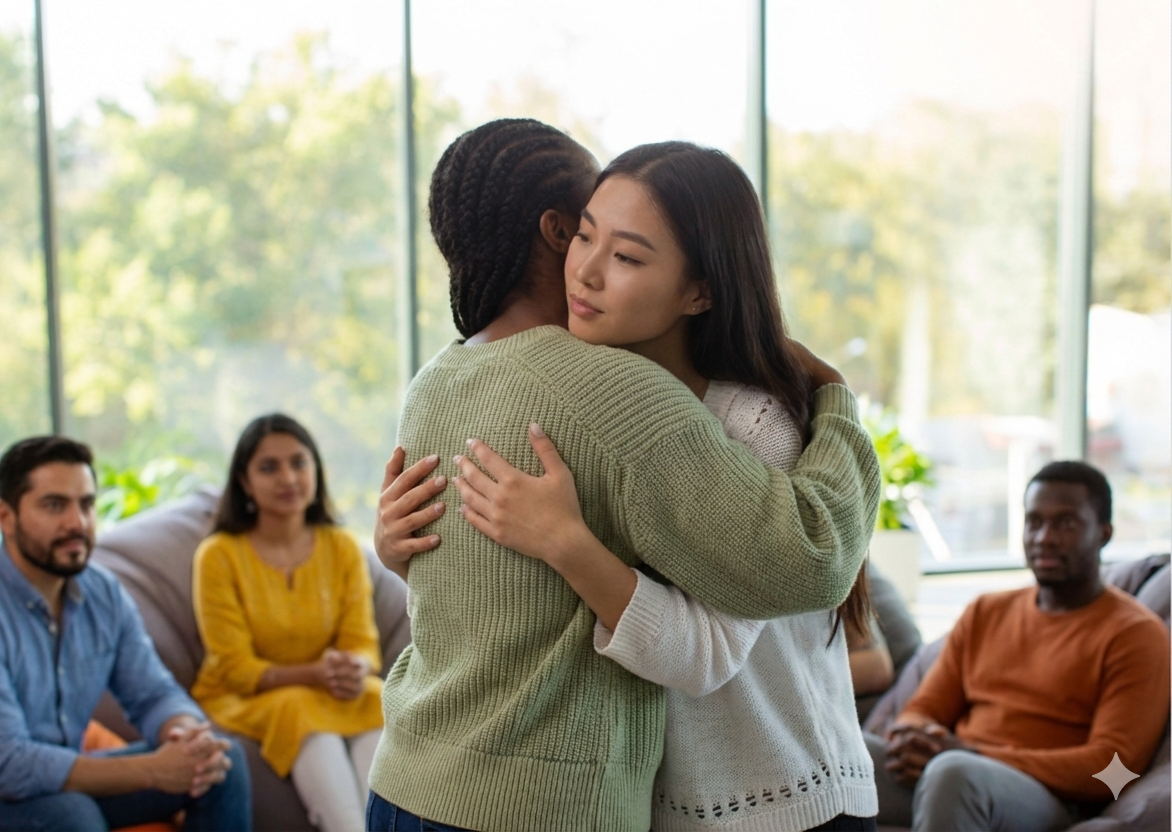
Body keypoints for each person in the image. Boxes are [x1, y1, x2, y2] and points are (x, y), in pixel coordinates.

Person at [366, 118, 881, 832]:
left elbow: (730, 634)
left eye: (629, 256)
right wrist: (396, 552)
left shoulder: (733, 417)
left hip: (778, 797)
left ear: (698, 290)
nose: (587, 268)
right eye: (585, 234)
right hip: (638, 803)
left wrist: (836, 399)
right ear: (556, 233)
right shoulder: (605, 393)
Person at [0, 436, 251, 832]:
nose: (77, 522)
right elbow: (10, 768)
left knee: (222, 766)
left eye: (86, 504)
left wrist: (190, 737)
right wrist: (153, 771)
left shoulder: (103, 593)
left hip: (55, 790)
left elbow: (153, 693)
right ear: (5, 516)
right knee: (71, 816)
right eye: (54, 505)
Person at [865, 461, 1170, 831]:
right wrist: (909, 737)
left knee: (954, 773)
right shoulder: (986, 612)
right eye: (1034, 522)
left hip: (1047, 798)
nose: (1044, 537)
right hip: (953, 770)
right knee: (845, 751)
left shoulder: (1137, 635)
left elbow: (1116, 772)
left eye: (1066, 523)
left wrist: (973, 754)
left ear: (1104, 533)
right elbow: (922, 708)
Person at [191, 414, 384, 832]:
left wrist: (356, 668)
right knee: (298, 709)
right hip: (244, 696)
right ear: (243, 481)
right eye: (268, 467)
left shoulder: (342, 547)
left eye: (299, 463)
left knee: (382, 698)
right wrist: (314, 673)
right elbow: (235, 669)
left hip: (329, 689)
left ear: (316, 470)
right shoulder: (218, 555)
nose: (288, 477)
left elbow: (364, 643)